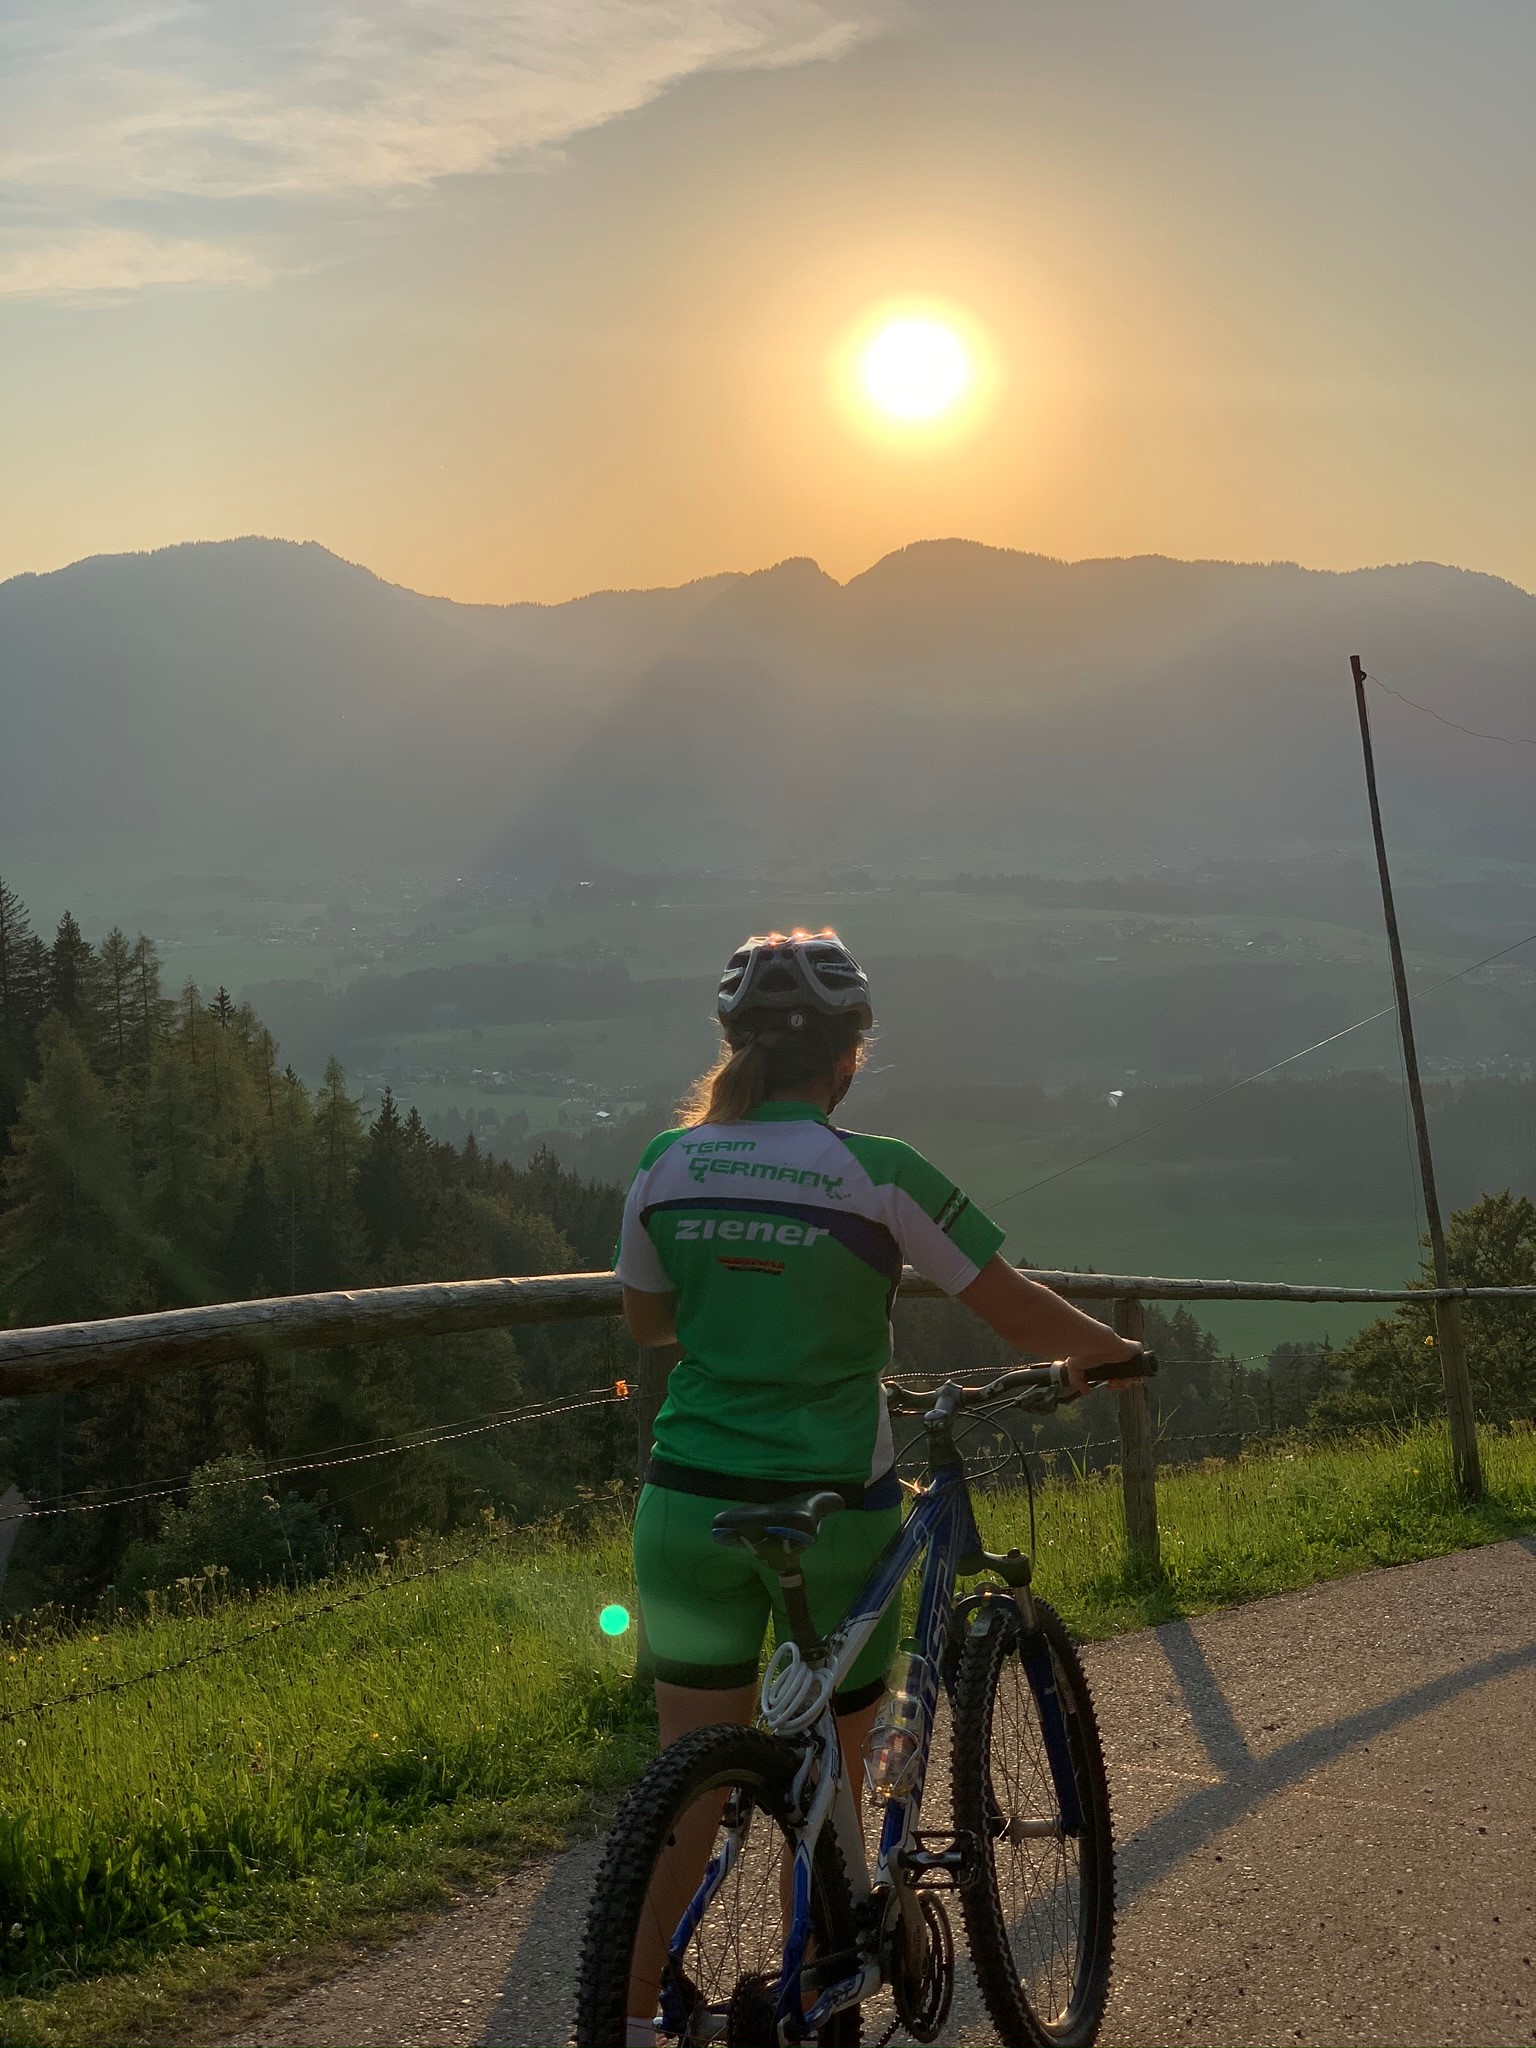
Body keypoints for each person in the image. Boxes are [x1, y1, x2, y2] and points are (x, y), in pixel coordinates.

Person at [614, 930, 1140, 2043]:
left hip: (683, 1504)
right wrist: (1111, 1354)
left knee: (687, 1792)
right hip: (830, 1512)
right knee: (841, 1781)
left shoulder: (666, 1162)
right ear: (849, 1056)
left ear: (735, 1046)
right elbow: (1011, 1306)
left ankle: (616, 2017)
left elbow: (652, 1322)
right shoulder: (881, 1171)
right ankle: (826, 1982)